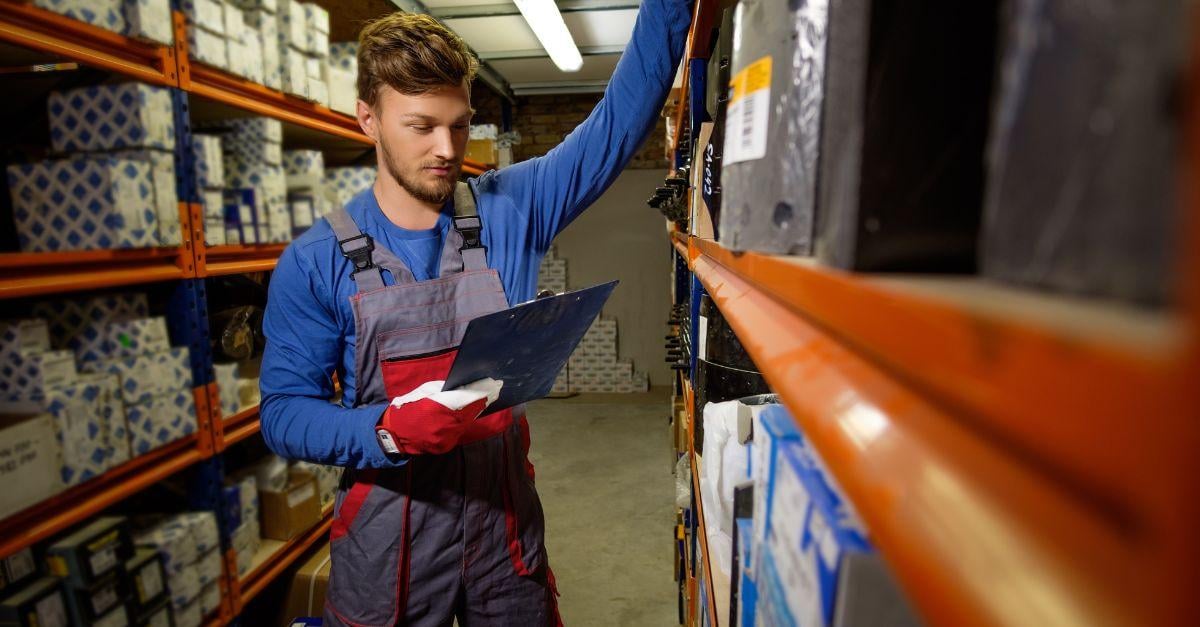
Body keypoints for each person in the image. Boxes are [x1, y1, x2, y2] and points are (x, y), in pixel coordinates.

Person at [259, 0, 690, 624]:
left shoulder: (512, 208)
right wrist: (384, 429)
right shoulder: (314, 261)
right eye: (421, 125)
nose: (446, 148)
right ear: (367, 120)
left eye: (459, 124)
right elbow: (282, 413)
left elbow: (620, 119)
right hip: (389, 538)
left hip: (503, 525)